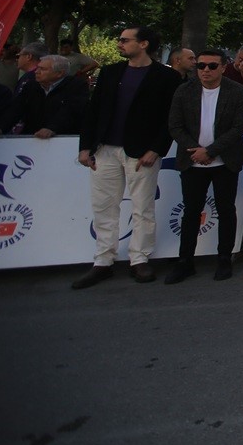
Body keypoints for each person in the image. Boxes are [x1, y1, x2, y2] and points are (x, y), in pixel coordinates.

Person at [73, 26, 182, 289]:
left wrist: (156, 149)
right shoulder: (110, 72)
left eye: (125, 40)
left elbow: (170, 118)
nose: (120, 44)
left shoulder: (166, 77)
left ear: (143, 44)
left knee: (143, 207)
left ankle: (139, 258)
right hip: (105, 149)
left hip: (142, 151)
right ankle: (103, 260)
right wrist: (85, 146)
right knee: (104, 206)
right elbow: (94, 110)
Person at [164, 49, 243, 284]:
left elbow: (239, 126)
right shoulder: (184, 91)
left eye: (212, 66)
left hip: (226, 161)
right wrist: (196, 151)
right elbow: (175, 126)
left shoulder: (238, 91)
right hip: (192, 161)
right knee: (191, 212)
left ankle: (224, 258)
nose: (205, 70)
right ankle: (185, 261)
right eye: (201, 66)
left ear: (223, 67)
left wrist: (211, 151)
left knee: (226, 210)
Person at [0, 54, 88, 137]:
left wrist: (52, 128)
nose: (37, 72)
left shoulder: (76, 86)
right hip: (32, 138)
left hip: (64, 138)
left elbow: (71, 110)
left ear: (59, 73)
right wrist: (0, 128)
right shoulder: (31, 85)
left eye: (43, 69)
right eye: (37, 68)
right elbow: (16, 108)